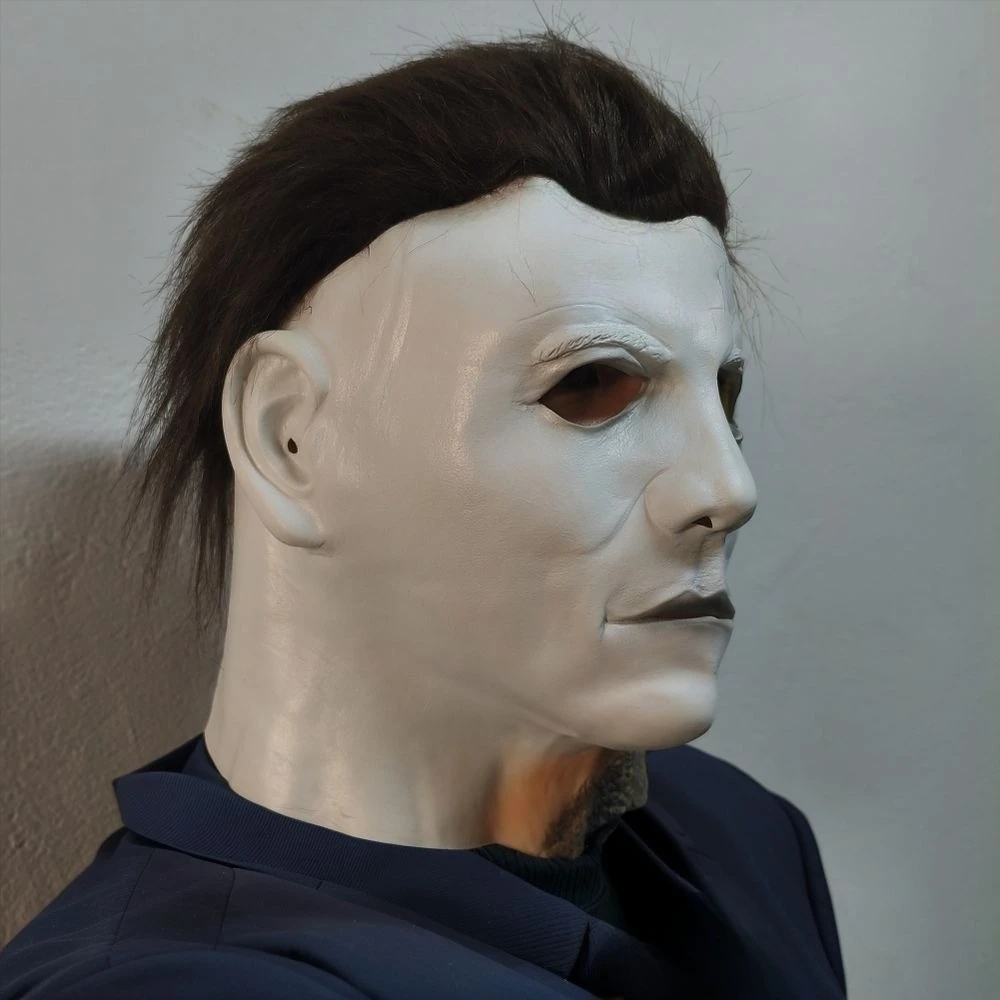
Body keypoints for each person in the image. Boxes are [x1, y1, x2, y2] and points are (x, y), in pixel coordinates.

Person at [0, 30, 847, 1000]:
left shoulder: (747, 842)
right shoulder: (175, 986)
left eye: (721, 394)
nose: (726, 487)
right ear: (290, 438)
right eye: (589, 385)